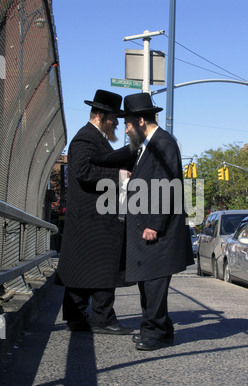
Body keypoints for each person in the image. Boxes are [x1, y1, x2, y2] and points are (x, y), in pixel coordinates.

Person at [56, 89, 135, 335]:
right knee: (103, 269)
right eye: (114, 118)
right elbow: (82, 172)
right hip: (92, 218)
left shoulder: (94, 138)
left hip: (94, 217)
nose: (117, 123)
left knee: (85, 270)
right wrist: (118, 176)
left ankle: (77, 317)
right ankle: (102, 319)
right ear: (100, 115)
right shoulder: (85, 138)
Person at [121, 93, 194, 351]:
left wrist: (155, 224)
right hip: (146, 227)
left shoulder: (164, 143)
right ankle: (157, 329)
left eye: (128, 123)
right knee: (147, 282)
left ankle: (156, 332)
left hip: (157, 230)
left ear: (141, 120)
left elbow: (167, 185)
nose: (125, 128)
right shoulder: (150, 145)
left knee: (153, 284)